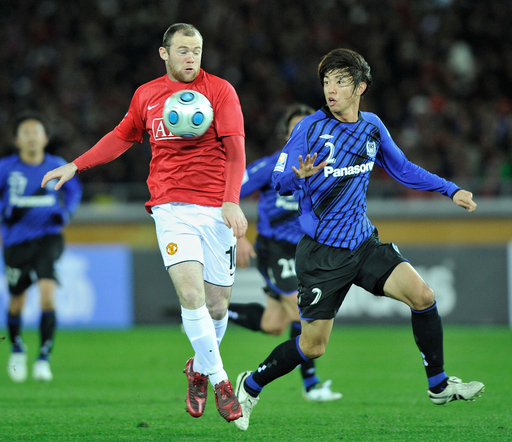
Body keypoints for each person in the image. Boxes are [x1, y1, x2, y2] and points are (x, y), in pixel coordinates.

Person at [233, 48, 485, 431]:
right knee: (312, 345)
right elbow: (280, 175)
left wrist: (449, 190)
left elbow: (402, 169)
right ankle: (251, 385)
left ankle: (438, 385)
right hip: (321, 255)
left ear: (361, 87)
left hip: (364, 244)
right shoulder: (310, 128)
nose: (330, 90)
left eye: (340, 82)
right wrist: (297, 176)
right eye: (326, 82)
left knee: (424, 296)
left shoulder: (372, 128)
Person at [41, 23, 246, 422]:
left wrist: (231, 201)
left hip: (215, 209)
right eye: (184, 50)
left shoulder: (220, 90)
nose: (192, 57)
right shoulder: (147, 95)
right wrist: (75, 165)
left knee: (218, 306)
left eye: (197, 50)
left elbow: (236, 150)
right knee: (192, 296)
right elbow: (121, 136)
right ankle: (220, 380)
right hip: (170, 207)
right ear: (164, 53)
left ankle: (198, 368)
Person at [228, 104, 342, 402]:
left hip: (306, 251)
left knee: (273, 324)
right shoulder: (270, 166)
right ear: (287, 135)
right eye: (295, 130)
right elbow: (230, 194)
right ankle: (312, 385)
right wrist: (238, 235)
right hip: (274, 248)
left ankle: (213, 312)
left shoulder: (326, 170)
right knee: (302, 311)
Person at [1, 111, 82, 383]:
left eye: (37, 132)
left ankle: (44, 358)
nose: (32, 137)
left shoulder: (57, 164)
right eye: (26, 133)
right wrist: (5, 209)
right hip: (15, 242)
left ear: (46, 138)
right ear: (17, 139)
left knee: (48, 294)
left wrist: (67, 213)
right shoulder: (6, 168)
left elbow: (74, 191)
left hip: (48, 238)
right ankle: (16, 349)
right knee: (17, 302)